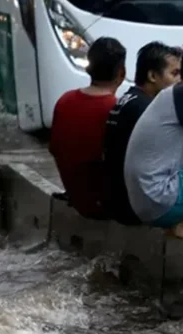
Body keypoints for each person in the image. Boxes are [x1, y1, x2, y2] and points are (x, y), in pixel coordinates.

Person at [49, 37, 126, 220]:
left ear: (88, 67)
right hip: (105, 207)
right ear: (122, 73)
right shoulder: (117, 109)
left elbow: (54, 148)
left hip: (78, 200)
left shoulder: (65, 100)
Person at [104, 42, 181, 226]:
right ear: (152, 76)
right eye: (175, 73)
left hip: (119, 200)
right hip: (136, 205)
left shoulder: (129, 100)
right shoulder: (143, 107)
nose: (179, 81)